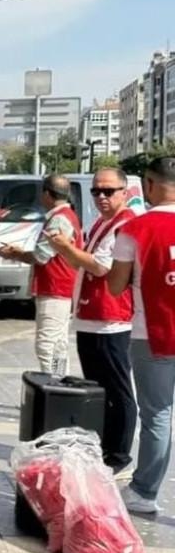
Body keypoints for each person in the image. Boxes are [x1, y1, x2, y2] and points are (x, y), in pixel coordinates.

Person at [44, 168, 137, 473]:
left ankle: (118, 455)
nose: (101, 197)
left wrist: (65, 248)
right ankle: (101, 448)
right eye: (96, 191)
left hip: (111, 318)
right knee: (98, 391)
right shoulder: (101, 222)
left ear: (124, 192)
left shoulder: (124, 224)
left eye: (109, 191)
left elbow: (101, 267)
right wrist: (65, 250)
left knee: (118, 391)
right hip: (90, 314)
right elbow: (81, 262)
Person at [108, 157, 175, 515]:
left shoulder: (135, 229)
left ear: (149, 184)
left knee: (158, 415)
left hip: (153, 336)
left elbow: (115, 285)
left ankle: (144, 492)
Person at [0, 174, 82, 375]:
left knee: (47, 344)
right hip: (62, 287)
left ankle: (54, 383)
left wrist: (15, 254)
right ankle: (60, 379)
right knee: (58, 343)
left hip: (54, 288)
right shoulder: (67, 215)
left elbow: (41, 256)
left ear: (47, 194)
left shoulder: (59, 219)